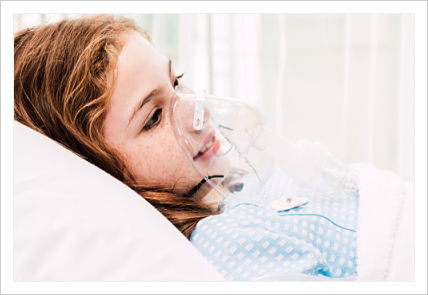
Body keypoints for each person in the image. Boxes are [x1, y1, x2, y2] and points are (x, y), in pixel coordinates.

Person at [14, 15, 358, 281]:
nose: (199, 112)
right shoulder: (225, 243)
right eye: (153, 117)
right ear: (98, 171)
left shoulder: (243, 184)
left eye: (176, 81)